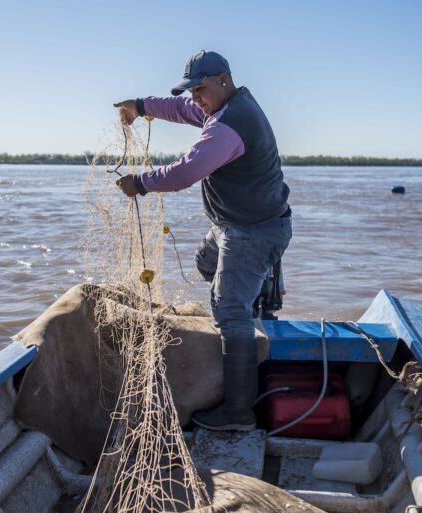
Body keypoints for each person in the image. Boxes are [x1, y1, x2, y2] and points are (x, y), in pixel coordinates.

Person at [115, 50, 291, 431]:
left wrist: (140, 183)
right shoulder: (223, 106)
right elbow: (180, 110)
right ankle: (250, 304)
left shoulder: (229, 124)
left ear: (223, 80)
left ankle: (239, 413)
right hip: (234, 226)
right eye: (190, 91)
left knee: (227, 308)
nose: (194, 98)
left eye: (199, 89)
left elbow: (185, 172)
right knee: (206, 262)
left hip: (254, 231)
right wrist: (141, 105)